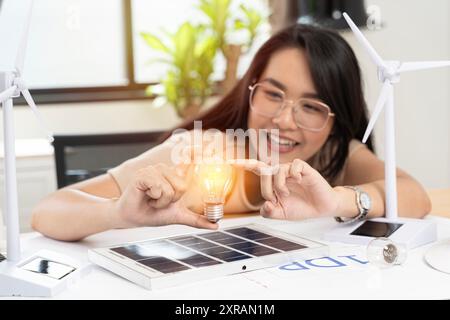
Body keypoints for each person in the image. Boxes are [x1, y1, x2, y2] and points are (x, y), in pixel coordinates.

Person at [31, 24, 431, 241]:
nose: (285, 120)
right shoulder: (199, 154)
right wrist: (117, 213)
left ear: (335, 122)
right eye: (273, 94)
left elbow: (414, 196)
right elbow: (48, 211)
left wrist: (338, 201)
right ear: (250, 91)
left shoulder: (331, 153)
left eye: (312, 106)